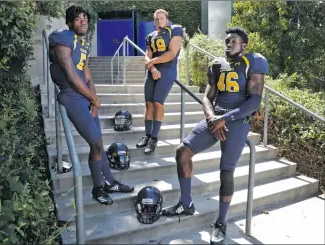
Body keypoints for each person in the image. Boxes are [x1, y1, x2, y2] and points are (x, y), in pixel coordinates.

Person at [161, 27, 269, 244]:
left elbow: (255, 101)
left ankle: (221, 221)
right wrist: (211, 118)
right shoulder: (217, 64)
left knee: (226, 171)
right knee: (182, 152)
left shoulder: (253, 62)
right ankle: (186, 203)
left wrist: (225, 119)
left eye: (234, 41)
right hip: (215, 118)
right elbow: (208, 97)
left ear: (244, 44)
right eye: (227, 40)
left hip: (236, 122)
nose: (229, 43)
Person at [48, 5, 134, 206]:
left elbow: (87, 76)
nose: (83, 21)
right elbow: (70, 74)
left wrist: (94, 98)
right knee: (95, 143)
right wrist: (92, 98)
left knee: (99, 143)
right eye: (78, 19)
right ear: (70, 22)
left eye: (85, 18)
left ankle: (110, 182)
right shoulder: (62, 38)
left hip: (85, 97)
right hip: (70, 96)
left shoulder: (82, 44)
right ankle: (98, 188)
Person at [136, 9, 183, 154]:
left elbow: (171, 54)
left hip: (167, 69)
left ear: (167, 19)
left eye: (161, 18)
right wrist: (152, 69)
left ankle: (154, 138)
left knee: (157, 102)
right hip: (153, 71)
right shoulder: (151, 36)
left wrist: (153, 62)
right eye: (156, 19)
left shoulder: (174, 31)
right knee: (148, 103)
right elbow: (147, 56)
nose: (159, 21)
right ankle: (147, 135)